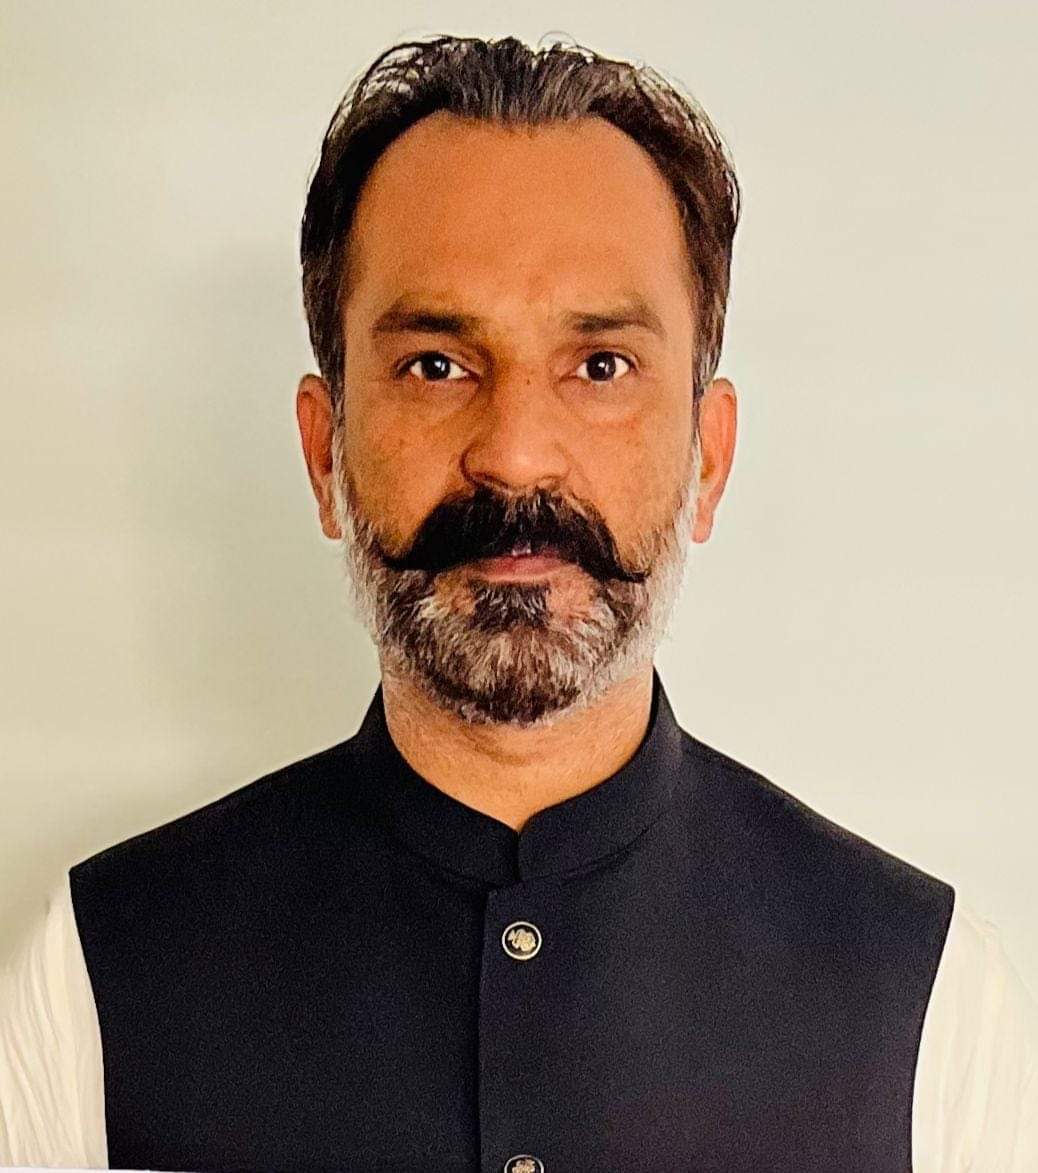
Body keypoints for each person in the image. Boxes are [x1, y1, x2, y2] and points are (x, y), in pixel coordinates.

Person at [2, 31, 1036, 1173]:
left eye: (600, 367)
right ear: (324, 451)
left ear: (708, 458)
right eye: (436, 365)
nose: (515, 454)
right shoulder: (98, 979)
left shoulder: (931, 1006)